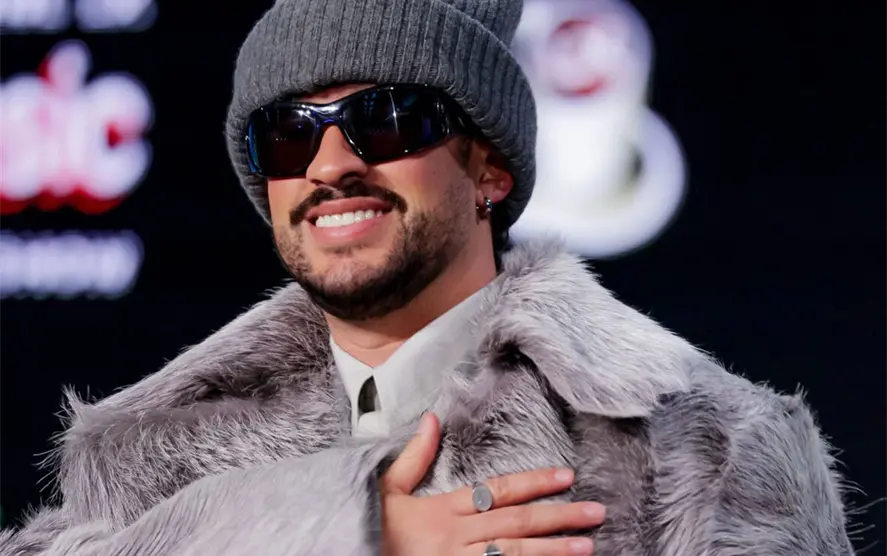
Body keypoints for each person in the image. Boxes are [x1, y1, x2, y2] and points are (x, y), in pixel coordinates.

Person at [1, 0, 856, 555]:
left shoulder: (705, 447)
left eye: (383, 119)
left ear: (489, 169)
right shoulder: (143, 460)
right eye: (287, 135)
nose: (329, 164)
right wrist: (345, 527)